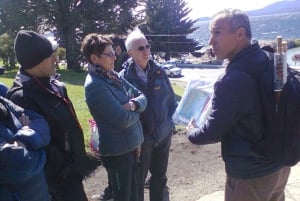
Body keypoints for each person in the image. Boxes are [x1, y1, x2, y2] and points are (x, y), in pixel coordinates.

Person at [186, 9, 290, 201]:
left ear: (240, 34)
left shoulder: (232, 79)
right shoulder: (267, 59)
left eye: (217, 32)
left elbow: (213, 131)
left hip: (250, 176)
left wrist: (192, 132)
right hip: (280, 166)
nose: (210, 41)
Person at [7, 30, 100, 201]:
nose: (56, 60)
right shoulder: (21, 97)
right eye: (50, 56)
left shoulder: (54, 85)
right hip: (57, 184)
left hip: (73, 175)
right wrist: (67, 169)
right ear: (35, 61)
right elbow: (37, 144)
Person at [81, 33, 147, 201]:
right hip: (118, 154)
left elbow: (142, 97)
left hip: (130, 148)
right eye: (109, 54)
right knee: (124, 196)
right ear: (94, 58)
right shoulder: (95, 86)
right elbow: (121, 119)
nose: (115, 57)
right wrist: (138, 112)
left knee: (135, 195)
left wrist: (133, 106)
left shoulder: (113, 76)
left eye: (114, 53)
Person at [120, 28, 177, 201]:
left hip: (163, 134)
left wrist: (169, 125)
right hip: (142, 140)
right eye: (140, 48)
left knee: (160, 178)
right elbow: (124, 111)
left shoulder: (159, 71)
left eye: (147, 46)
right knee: (138, 182)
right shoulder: (123, 78)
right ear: (130, 53)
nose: (146, 50)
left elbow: (171, 101)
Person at [0, 96, 50, 201]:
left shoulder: (3, 102)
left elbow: (39, 120)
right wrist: (38, 147)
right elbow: (22, 164)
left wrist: (24, 139)